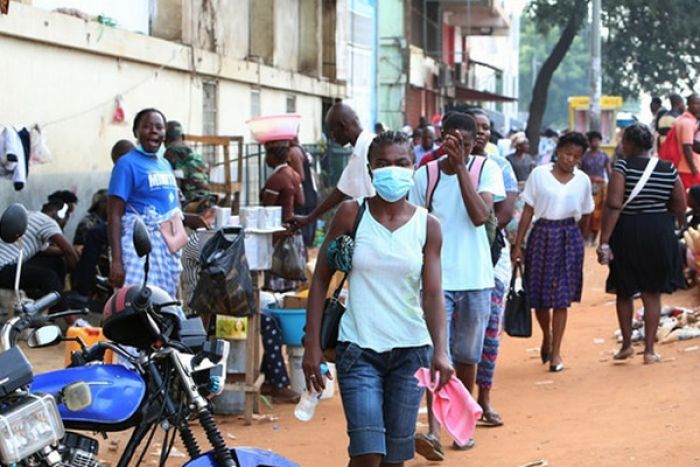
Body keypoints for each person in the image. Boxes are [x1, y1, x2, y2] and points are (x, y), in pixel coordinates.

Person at [303, 131, 453, 467]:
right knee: (368, 453)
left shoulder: (428, 226)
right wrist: (311, 345)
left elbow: (432, 294)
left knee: (394, 459)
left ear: (413, 167)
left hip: (411, 353)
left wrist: (441, 351)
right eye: (383, 163)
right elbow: (320, 281)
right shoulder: (350, 214)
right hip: (359, 351)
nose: (392, 170)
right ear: (370, 169)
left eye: (401, 163)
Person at [410, 112, 505, 456]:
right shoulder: (425, 176)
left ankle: (461, 426)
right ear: (441, 139)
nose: (457, 150)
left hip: (477, 280)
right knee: (436, 355)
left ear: (472, 144)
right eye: (451, 143)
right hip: (437, 283)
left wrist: (462, 166)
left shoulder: (485, 169)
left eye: (464, 145)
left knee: (466, 358)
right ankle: (434, 429)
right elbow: (414, 226)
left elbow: (481, 216)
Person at [597, 123, 686, 364]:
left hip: (627, 231)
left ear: (632, 144)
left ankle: (627, 345)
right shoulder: (668, 169)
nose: (622, 146)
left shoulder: (623, 166)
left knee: (625, 290)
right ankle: (649, 351)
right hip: (658, 232)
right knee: (652, 293)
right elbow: (679, 202)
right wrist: (677, 227)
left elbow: (614, 204)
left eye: (624, 141)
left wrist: (604, 241)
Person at [512, 131, 594, 373]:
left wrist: (581, 241)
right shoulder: (539, 175)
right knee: (539, 297)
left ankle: (556, 352)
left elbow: (586, 213)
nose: (571, 159)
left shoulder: (583, 181)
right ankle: (546, 336)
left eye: (576, 156)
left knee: (561, 298)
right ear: (558, 151)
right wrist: (518, 245)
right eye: (568, 153)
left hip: (569, 237)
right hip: (542, 235)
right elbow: (527, 211)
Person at [468, 109, 518, 429]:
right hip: (451, 259)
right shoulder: (439, 167)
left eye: (486, 128)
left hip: (491, 257)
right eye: (476, 127)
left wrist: (476, 238)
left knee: (488, 332)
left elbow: (505, 213)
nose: (482, 133)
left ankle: (483, 397)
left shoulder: (501, 167)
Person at [108, 108, 183, 298]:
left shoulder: (164, 164)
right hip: (138, 248)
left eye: (159, 127)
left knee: (163, 304)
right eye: (147, 126)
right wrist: (116, 261)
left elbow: (165, 208)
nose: (154, 131)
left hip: (166, 249)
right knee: (135, 302)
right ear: (136, 132)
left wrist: (193, 219)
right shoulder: (126, 164)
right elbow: (114, 215)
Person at [291, 102, 375, 230]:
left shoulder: (370, 147)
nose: (332, 137)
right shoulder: (358, 150)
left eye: (332, 131)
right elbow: (340, 191)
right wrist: (309, 218)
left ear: (343, 126)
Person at [69, 141, 134, 305]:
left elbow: (117, 211)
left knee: (96, 234)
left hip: (137, 224)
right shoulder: (147, 165)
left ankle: (83, 291)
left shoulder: (127, 168)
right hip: (149, 223)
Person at [0, 199, 79, 309]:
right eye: (66, 218)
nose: (65, 223)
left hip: (5, 267)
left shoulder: (30, 216)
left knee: (56, 262)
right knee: (49, 276)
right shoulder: (48, 222)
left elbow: (46, 250)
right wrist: (78, 274)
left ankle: (52, 308)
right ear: (57, 214)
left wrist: (74, 249)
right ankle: (72, 320)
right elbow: (68, 251)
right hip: (3, 269)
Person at [261, 143, 306, 293]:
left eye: (266, 154)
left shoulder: (276, 179)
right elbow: (301, 201)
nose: (265, 159)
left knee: (276, 279)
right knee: (291, 277)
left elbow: (267, 208)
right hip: (293, 229)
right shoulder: (295, 175)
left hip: (279, 232)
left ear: (272, 157)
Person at [164, 120, 211, 203]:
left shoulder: (170, 153)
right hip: (206, 198)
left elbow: (174, 183)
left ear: (164, 138)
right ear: (183, 136)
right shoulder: (195, 154)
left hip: (189, 202)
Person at [581, 131, 612, 245]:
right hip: (587, 185)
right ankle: (586, 235)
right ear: (589, 142)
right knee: (587, 210)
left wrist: (612, 186)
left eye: (597, 140)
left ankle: (594, 236)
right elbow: (580, 171)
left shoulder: (604, 156)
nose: (595, 143)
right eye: (593, 140)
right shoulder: (584, 157)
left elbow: (609, 171)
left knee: (598, 212)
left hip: (600, 187)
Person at [288, 137, 319, 247]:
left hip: (304, 196)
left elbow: (300, 176)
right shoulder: (301, 150)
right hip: (310, 194)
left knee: (304, 236)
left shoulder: (294, 152)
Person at [670, 94, 700, 190]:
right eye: (696, 103)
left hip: (683, 167)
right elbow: (687, 146)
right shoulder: (687, 123)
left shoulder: (682, 119)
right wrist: (693, 169)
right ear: (688, 104)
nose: (698, 106)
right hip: (688, 169)